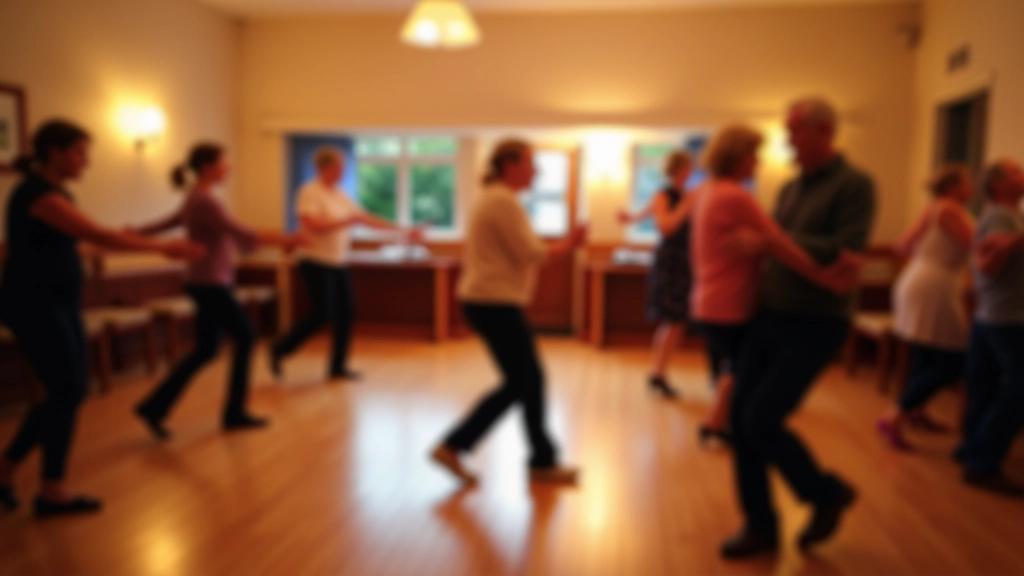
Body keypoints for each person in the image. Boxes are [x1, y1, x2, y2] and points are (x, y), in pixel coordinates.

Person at [0, 120, 202, 517]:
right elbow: (98, 235)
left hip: (58, 303)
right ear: (53, 152)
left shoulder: (59, 194)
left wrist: (130, 241)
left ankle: (15, 474)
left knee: (69, 390)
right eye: (79, 152)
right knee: (67, 390)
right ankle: (50, 488)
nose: (85, 161)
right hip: (32, 304)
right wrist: (161, 248)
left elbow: (83, 245)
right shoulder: (35, 193)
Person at [720, 98, 876, 560]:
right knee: (738, 421)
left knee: (760, 419)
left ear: (823, 131)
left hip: (816, 321)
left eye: (794, 132)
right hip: (771, 315)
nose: (787, 141)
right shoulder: (790, 188)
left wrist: (774, 242)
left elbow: (845, 249)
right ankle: (760, 525)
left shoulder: (855, 185)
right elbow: (776, 244)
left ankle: (824, 494)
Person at [688, 125, 860, 448]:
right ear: (738, 157)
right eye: (754, 154)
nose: (758, 162)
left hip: (707, 303)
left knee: (737, 367)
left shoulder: (708, 191)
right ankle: (734, 432)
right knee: (749, 374)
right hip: (728, 305)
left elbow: (769, 242)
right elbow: (779, 242)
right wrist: (824, 277)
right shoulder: (735, 195)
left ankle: (718, 425)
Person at [430, 138, 586, 486]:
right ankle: (454, 445)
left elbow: (524, 251)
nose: (537, 170)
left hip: (490, 301)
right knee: (522, 382)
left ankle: (541, 461)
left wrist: (565, 244)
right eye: (532, 163)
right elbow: (531, 253)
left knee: (528, 382)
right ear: (510, 165)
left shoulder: (500, 199)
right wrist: (570, 244)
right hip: (492, 302)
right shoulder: (502, 201)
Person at [133, 143, 305, 440]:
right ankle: (233, 413)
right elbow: (240, 232)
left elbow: (169, 223)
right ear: (207, 167)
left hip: (205, 281)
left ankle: (154, 406)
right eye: (224, 163)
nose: (228, 168)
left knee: (206, 349)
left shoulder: (198, 198)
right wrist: (287, 238)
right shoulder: (204, 201)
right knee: (246, 337)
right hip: (209, 283)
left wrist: (135, 233)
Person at [270, 146, 422, 382]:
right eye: (339, 166)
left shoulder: (340, 194)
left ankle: (337, 366)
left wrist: (403, 231)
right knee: (323, 313)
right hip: (315, 261)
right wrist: (346, 221)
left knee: (347, 313)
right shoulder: (310, 192)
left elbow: (365, 218)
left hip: (338, 262)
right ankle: (281, 348)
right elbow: (310, 224)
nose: (343, 171)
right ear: (325, 168)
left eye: (343, 167)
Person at [876, 164, 975, 450]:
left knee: (927, 354)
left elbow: (901, 246)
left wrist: (931, 256)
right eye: (967, 182)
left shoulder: (934, 207)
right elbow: (975, 245)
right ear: (953, 187)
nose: (971, 187)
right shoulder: (951, 209)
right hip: (936, 286)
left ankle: (916, 411)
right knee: (954, 360)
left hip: (919, 279)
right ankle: (895, 414)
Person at [617, 151, 723, 400]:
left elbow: (643, 214)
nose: (692, 172)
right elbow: (665, 227)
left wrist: (630, 217)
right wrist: (687, 205)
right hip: (672, 263)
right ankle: (658, 375)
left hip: (687, 262)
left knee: (677, 322)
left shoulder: (683, 195)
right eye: (689, 167)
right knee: (674, 321)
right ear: (679, 169)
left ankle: (659, 373)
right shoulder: (665, 194)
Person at [956, 159, 1024, 498]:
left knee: (982, 384)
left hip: (991, 315)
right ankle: (982, 461)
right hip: (1007, 316)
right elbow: (989, 265)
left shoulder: (1003, 215)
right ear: (998, 184)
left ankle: (971, 449)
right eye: (1016, 171)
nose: (1023, 173)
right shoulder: (1002, 216)